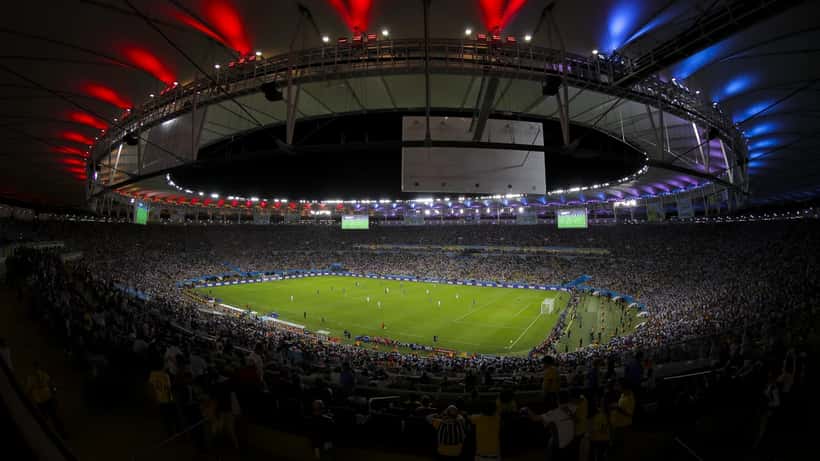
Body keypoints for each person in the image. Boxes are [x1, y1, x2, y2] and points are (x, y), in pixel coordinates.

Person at [25, 362, 67, 438]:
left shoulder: (36, 376)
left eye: (35, 368)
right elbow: (29, 391)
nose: (35, 370)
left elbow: (50, 384)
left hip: (45, 399)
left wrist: (53, 391)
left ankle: (59, 433)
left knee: (52, 417)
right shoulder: (33, 378)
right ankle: (56, 433)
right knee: (50, 417)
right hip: (43, 400)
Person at [530, 391, 575, 460]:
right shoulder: (572, 407)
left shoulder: (554, 413)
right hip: (570, 441)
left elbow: (535, 418)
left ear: (557, 400)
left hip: (560, 444)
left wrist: (526, 410)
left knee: (550, 443)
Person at [148, 360, 177, 435]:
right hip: (166, 399)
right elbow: (168, 389)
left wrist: (154, 398)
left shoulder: (152, 374)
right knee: (170, 416)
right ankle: (171, 432)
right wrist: (171, 399)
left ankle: (168, 431)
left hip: (158, 398)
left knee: (164, 417)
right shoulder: (165, 375)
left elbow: (151, 387)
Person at [608, 380, 635, 459]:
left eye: (619, 385)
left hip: (623, 425)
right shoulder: (623, 394)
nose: (617, 387)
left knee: (619, 445)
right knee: (615, 442)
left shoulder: (630, 398)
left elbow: (629, 414)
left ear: (624, 388)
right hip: (617, 423)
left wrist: (617, 408)